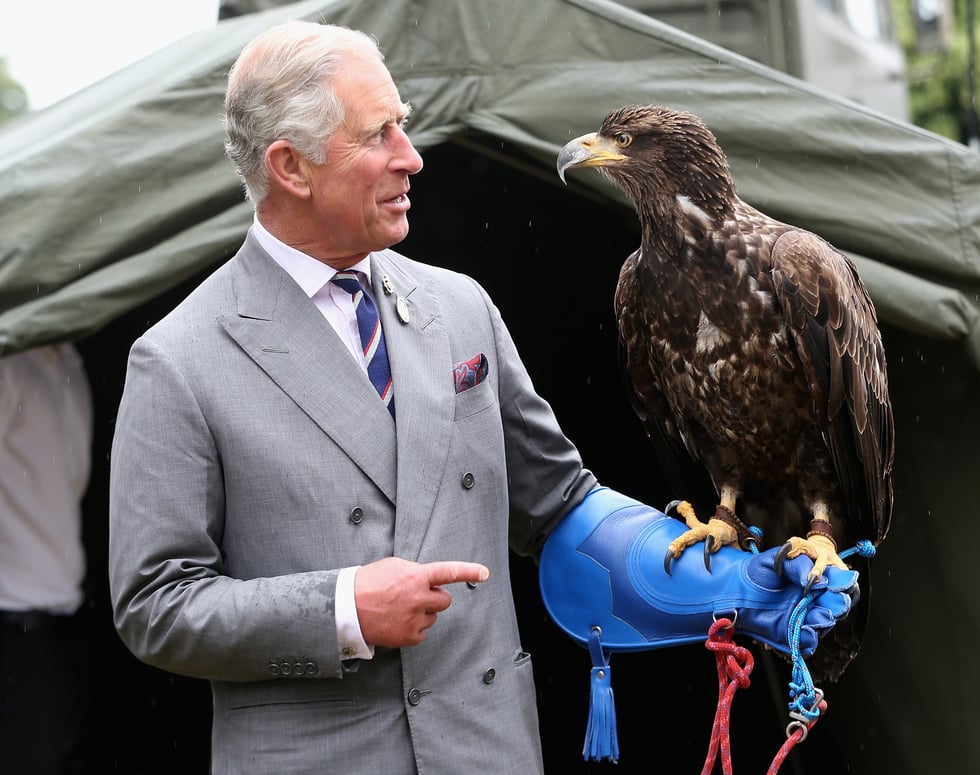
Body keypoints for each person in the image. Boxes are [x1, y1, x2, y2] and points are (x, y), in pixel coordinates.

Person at [108, 20, 623, 774]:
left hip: (487, 752)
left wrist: (733, 573)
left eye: (401, 125)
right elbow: (154, 606)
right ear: (291, 166)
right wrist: (342, 610)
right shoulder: (177, 359)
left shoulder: (463, 307)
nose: (410, 158)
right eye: (377, 135)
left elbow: (563, 505)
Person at [1, 343, 94, 774]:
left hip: (57, 627)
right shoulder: (10, 360)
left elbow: (69, 483)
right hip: (13, 625)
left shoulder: (70, 360)